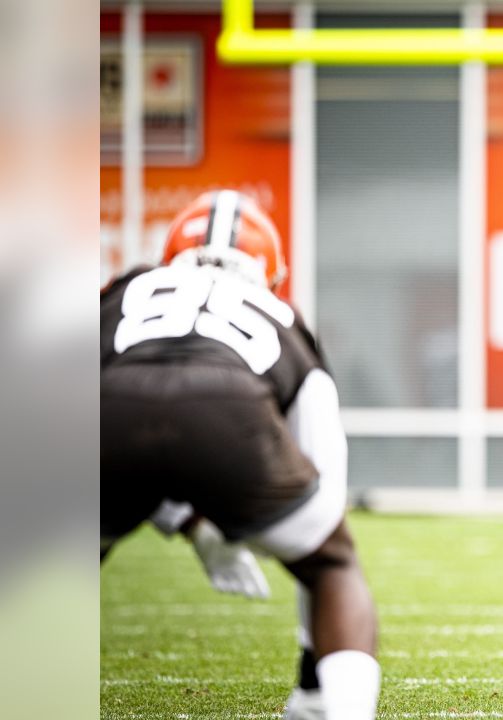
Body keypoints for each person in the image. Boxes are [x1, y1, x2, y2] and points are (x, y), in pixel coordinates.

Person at [100, 190, 380, 720]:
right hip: (231, 408)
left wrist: (189, 523)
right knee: (333, 564)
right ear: (269, 273)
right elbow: (324, 471)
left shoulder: (126, 291)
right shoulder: (281, 316)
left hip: (110, 410)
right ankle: (330, 703)